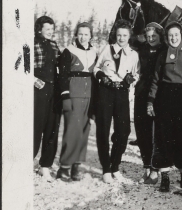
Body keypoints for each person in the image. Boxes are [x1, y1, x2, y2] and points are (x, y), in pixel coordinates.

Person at [147, 22, 182, 193]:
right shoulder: (162, 54)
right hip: (165, 100)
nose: (173, 38)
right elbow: (156, 80)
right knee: (164, 139)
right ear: (167, 37)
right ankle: (165, 179)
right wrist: (150, 101)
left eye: (176, 35)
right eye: (170, 35)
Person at [93, 20, 140, 184]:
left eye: (125, 35)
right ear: (116, 35)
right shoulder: (107, 49)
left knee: (124, 131)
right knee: (103, 130)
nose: (121, 38)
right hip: (106, 92)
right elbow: (96, 68)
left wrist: (130, 80)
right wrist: (101, 77)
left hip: (121, 93)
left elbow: (137, 74)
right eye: (119, 34)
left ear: (129, 36)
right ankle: (106, 168)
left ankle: (115, 166)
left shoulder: (133, 54)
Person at [56, 22, 97, 181]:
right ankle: (64, 167)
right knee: (72, 131)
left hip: (89, 96)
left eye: (86, 34)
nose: (83, 37)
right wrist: (65, 96)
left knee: (84, 132)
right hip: (73, 94)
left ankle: (76, 166)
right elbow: (63, 75)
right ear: (76, 34)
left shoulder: (94, 52)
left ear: (91, 36)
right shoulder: (68, 51)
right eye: (80, 34)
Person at [134, 22, 165, 184]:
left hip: (158, 94)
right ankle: (146, 166)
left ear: (160, 35)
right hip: (141, 91)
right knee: (142, 130)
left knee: (156, 133)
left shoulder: (164, 50)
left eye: (154, 36)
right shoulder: (142, 49)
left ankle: (155, 169)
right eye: (148, 36)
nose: (151, 39)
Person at [33, 15, 61, 181]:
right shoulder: (31, 43)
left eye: (52, 29)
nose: (50, 32)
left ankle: (45, 167)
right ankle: (26, 162)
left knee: (52, 128)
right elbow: (22, 66)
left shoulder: (54, 44)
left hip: (53, 89)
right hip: (38, 89)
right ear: (39, 29)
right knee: (36, 127)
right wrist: (33, 80)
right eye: (47, 29)